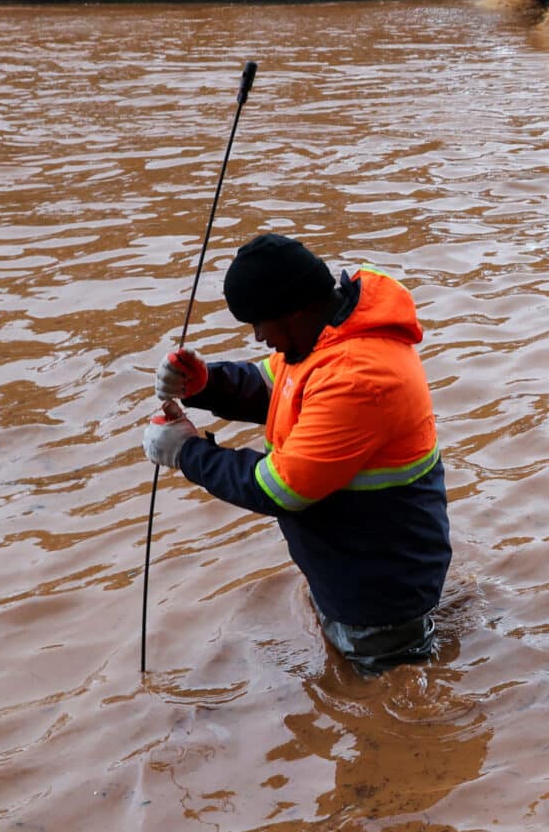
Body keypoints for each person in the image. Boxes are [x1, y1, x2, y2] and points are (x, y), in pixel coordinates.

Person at [143, 233, 451, 673]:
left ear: (295, 311)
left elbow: (278, 488)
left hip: (379, 597)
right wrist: (205, 383)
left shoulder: (358, 376)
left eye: (260, 324)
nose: (258, 337)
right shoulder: (322, 338)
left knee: (384, 710)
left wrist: (188, 452)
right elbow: (272, 386)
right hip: (354, 574)